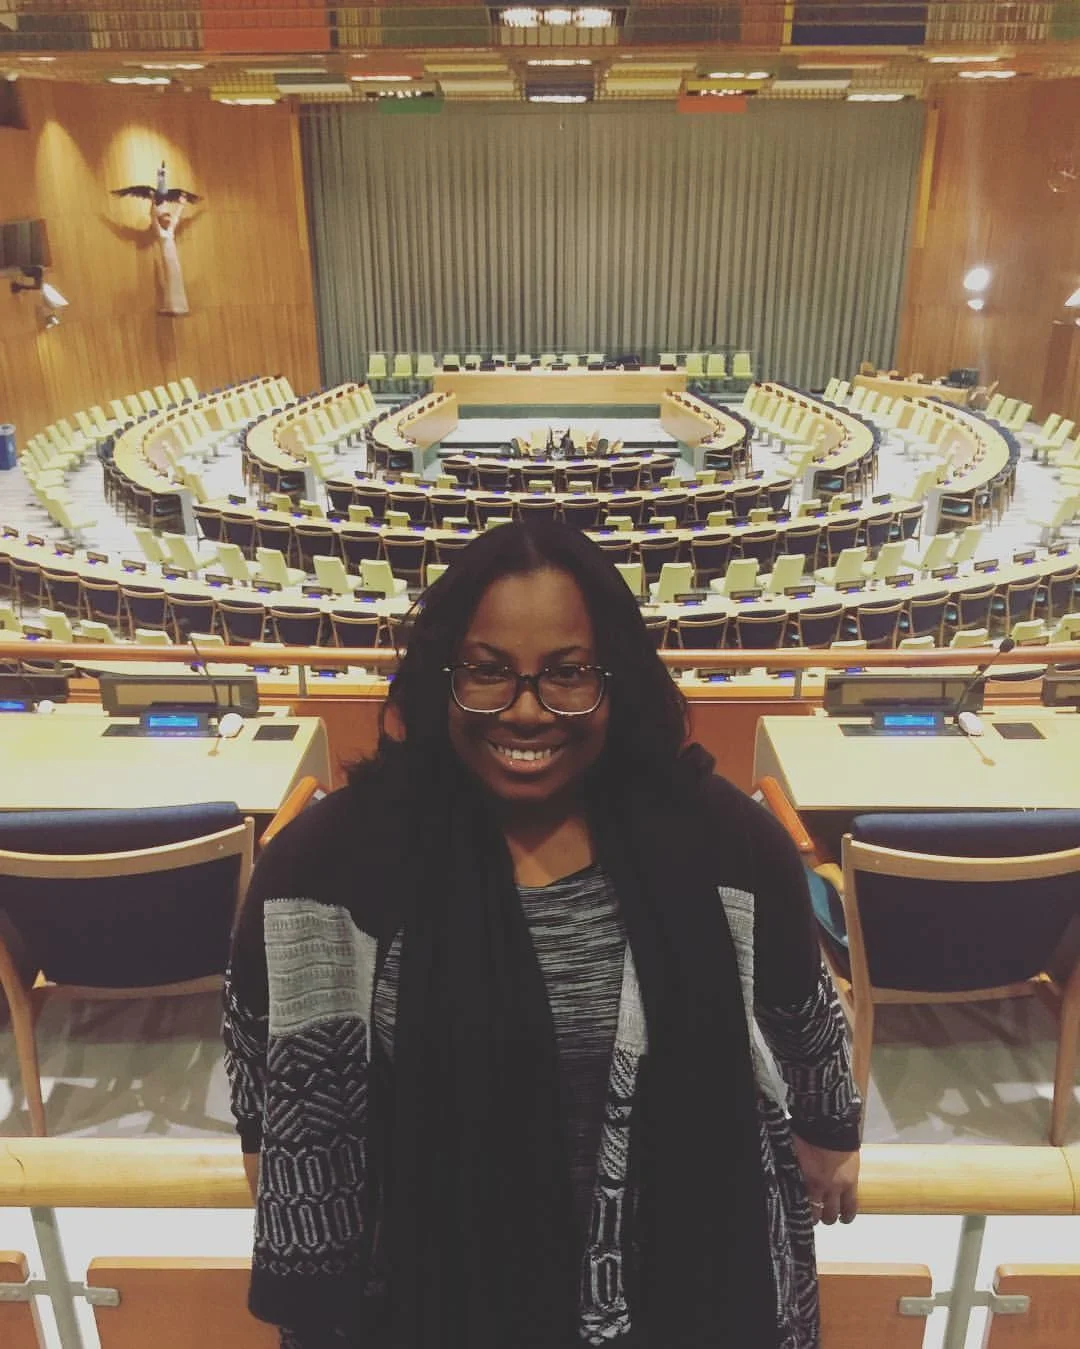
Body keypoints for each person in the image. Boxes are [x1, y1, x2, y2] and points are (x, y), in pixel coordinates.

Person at [224, 520, 861, 1349]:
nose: (527, 711)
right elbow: (261, 1064)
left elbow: (802, 1008)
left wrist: (831, 1130)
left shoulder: (725, 842)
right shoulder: (329, 864)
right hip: (422, 1310)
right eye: (487, 672)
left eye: (567, 674)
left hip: (674, 1305)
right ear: (442, 675)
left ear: (615, 678)